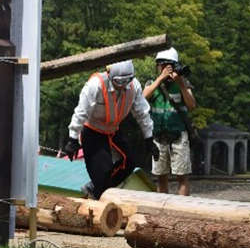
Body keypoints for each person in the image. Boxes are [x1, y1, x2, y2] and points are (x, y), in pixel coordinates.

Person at [65, 60, 157, 199]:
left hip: (113, 131)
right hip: (92, 131)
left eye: (127, 81)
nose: (123, 86)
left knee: (129, 162)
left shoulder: (134, 87)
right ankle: (100, 191)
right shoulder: (95, 85)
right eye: (119, 82)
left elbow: (142, 113)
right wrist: (72, 138)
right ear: (109, 75)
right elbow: (81, 112)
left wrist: (149, 139)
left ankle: (97, 187)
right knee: (104, 171)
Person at [143, 47, 196, 196]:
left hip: (179, 135)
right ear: (158, 66)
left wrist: (181, 84)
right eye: (163, 65)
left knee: (182, 176)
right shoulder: (152, 83)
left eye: (169, 65)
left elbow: (192, 105)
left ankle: (182, 209)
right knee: (161, 177)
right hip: (159, 135)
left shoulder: (183, 83)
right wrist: (160, 79)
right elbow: (142, 98)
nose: (166, 69)